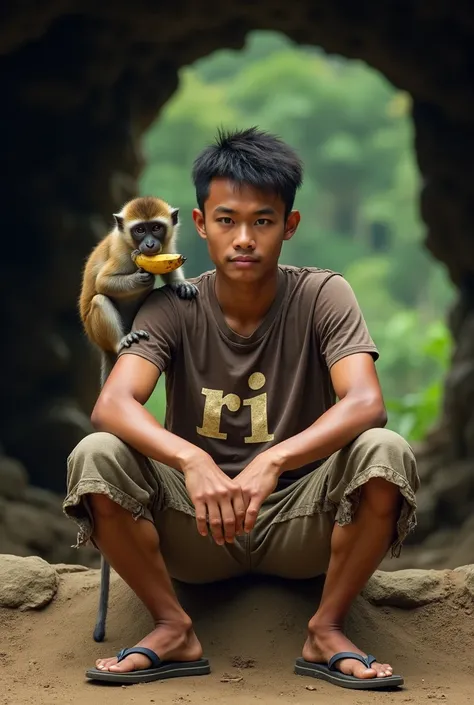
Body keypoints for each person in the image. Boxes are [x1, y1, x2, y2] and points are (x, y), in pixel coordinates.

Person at [63, 127, 419, 691]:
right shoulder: (172, 305)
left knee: (385, 450)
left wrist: (274, 461)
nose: (244, 239)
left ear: (289, 226)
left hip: (301, 522)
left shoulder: (323, 295)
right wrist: (191, 461)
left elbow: (366, 401)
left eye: (263, 221)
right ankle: (172, 625)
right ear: (201, 226)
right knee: (96, 454)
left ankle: (325, 629)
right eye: (227, 220)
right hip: (196, 526)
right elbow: (113, 404)